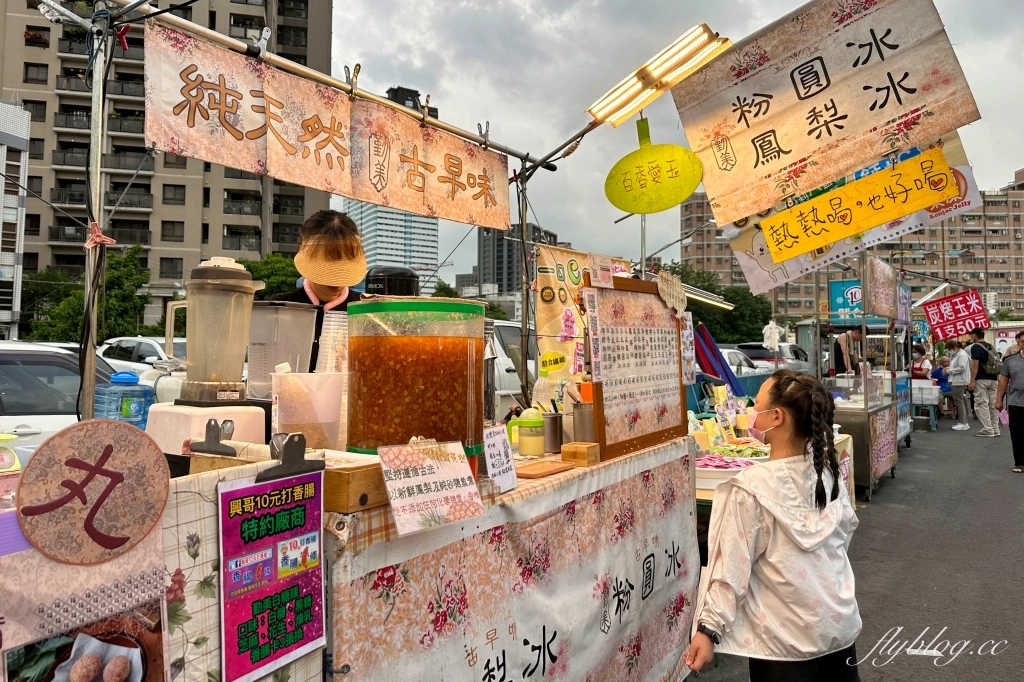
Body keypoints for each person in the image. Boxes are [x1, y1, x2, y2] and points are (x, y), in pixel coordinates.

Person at [685, 370, 861, 681]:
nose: (752, 412)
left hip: (783, 644)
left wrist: (708, 630)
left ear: (776, 416)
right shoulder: (828, 475)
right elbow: (843, 539)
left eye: (756, 406)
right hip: (838, 630)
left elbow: (730, 570)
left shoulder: (747, 489)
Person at [271, 210, 367, 370]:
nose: (336, 279)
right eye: (328, 267)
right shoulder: (280, 308)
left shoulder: (364, 311)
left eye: (342, 267)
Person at [995, 330, 1024, 473]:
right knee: (1017, 433)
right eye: (1023, 341)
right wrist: (998, 399)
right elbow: (1003, 380)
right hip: (1015, 401)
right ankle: (1020, 462)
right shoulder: (1010, 360)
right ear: (1018, 342)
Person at [968, 328, 1001, 437]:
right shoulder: (991, 346)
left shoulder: (976, 347)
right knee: (992, 404)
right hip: (993, 378)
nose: (971, 337)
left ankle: (987, 429)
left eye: (971, 335)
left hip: (981, 379)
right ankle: (995, 429)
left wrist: (972, 380)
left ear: (974, 335)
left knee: (981, 404)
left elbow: (975, 365)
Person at [945, 340, 971, 431]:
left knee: (958, 402)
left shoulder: (962, 355)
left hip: (959, 381)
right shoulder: (959, 355)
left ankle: (963, 423)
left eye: (949, 349)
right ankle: (963, 422)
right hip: (958, 380)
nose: (949, 351)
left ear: (955, 348)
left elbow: (962, 367)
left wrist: (949, 371)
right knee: (959, 402)